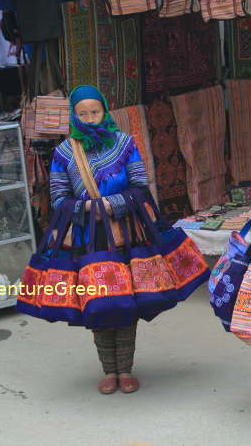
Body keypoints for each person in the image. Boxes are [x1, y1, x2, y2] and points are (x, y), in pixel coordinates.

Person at [49, 85, 149, 395]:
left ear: (105, 111)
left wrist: (113, 204)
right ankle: (109, 370)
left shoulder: (124, 144)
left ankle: (126, 368)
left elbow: (140, 187)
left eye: (95, 112)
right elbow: (57, 197)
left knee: (126, 302)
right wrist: (86, 208)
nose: (90, 118)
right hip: (87, 237)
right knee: (97, 301)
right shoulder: (64, 152)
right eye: (83, 113)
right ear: (74, 115)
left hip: (124, 235)